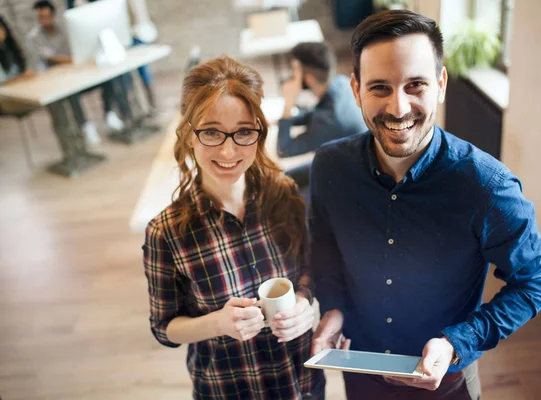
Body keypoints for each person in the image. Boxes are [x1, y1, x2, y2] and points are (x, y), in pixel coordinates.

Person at [310, 9, 541, 400]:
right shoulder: (328, 166)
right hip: (359, 377)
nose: (399, 108)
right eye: (379, 88)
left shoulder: (487, 186)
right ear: (355, 89)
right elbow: (326, 251)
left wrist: (457, 343)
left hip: (447, 387)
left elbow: (535, 282)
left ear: (441, 85)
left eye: (415, 85)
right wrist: (334, 308)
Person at [142, 56, 324, 399]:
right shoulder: (166, 233)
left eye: (243, 132)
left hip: (301, 385)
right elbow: (165, 329)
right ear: (189, 135)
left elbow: (310, 271)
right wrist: (218, 324)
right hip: (228, 389)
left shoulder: (284, 195)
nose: (228, 150)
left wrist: (305, 305)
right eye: (211, 132)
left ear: (259, 132)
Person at [27, 0, 126, 144]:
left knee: (107, 78)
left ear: (53, 16)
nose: (43, 21)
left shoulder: (67, 28)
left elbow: (80, 46)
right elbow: (51, 58)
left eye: (46, 17)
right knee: (71, 91)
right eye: (40, 18)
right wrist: (74, 60)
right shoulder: (35, 36)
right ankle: (85, 126)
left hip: (77, 73)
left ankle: (109, 114)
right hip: (57, 82)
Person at [278, 42, 366, 159]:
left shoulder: (326, 121)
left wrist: (288, 105)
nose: (292, 74)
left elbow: (283, 150)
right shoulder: (342, 82)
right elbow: (315, 113)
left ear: (309, 79)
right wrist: (291, 120)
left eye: (295, 70)